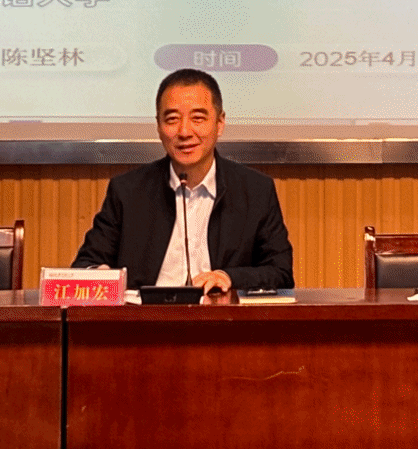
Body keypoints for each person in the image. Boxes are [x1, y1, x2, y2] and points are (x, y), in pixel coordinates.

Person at [71, 68, 294, 293]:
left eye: (198, 118)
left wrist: (228, 277)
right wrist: (99, 274)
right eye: (172, 119)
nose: (185, 131)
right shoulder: (128, 191)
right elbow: (86, 265)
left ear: (220, 123)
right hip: (147, 313)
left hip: (219, 312)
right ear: (159, 126)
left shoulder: (255, 190)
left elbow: (281, 273)